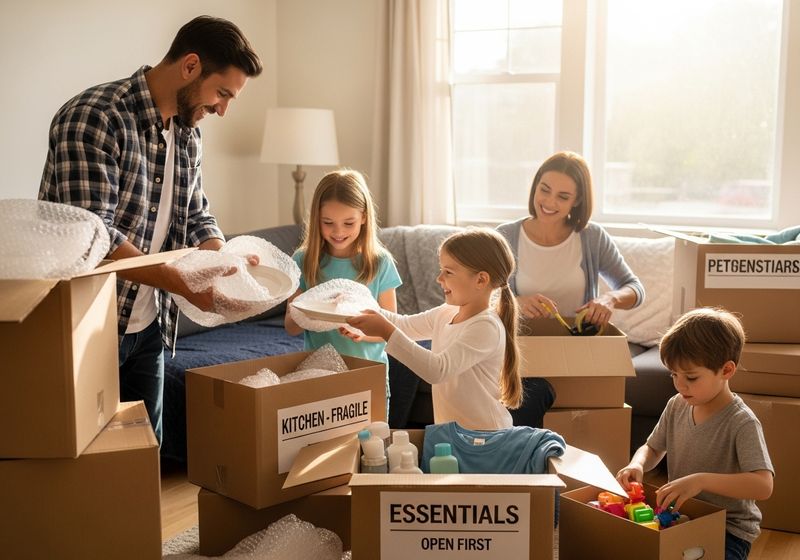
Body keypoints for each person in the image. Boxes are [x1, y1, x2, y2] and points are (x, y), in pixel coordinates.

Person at [38, 16, 263, 444]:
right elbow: (94, 237)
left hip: (147, 326)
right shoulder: (96, 118)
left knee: (144, 462)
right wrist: (182, 283)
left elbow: (196, 215)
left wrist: (225, 263)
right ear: (190, 66)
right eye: (222, 94)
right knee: (82, 462)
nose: (222, 110)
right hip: (85, 325)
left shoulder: (187, 134)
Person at [497, 150, 645, 427]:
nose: (549, 202)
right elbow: (479, 295)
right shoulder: (506, 235)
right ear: (535, 186)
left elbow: (634, 288)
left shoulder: (591, 237)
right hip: (522, 351)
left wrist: (610, 299)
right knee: (528, 396)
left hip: (577, 354)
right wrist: (514, 302)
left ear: (577, 201)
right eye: (545, 190)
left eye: (563, 197)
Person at [617, 308, 773, 560]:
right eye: (674, 374)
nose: (680, 385)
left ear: (726, 370)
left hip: (728, 530)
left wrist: (700, 480)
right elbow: (653, 448)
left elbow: (763, 486)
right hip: (680, 517)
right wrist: (638, 464)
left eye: (691, 377)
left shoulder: (742, 422)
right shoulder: (677, 405)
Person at [347, 227, 523, 431]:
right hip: (452, 434)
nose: (439, 278)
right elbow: (404, 324)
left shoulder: (486, 326)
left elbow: (437, 370)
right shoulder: (447, 312)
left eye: (448, 272)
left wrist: (385, 330)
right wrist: (355, 309)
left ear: (481, 280)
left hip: (485, 436)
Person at [284, 169, 402, 413]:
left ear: (364, 217)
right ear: (316, 218)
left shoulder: (379, 263)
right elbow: (291, 327)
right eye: (328, 223)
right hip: (319, 376)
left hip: (368, 376)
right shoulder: (303, 260)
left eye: (348, 223)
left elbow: (391, 330)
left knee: (370, 438)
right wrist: (310, 308)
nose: (338, 232)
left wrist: (362, 334)